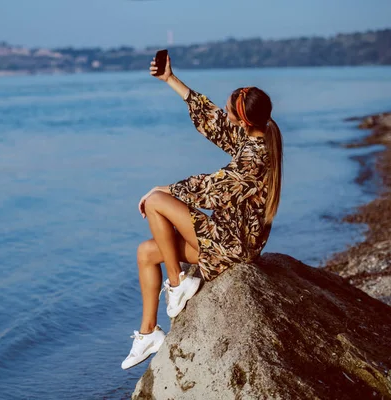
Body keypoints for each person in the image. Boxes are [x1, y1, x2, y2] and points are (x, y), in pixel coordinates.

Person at [121, 53, 283, 370]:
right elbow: (212, 121)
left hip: (232, 247)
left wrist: (165, 189)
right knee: (145, 252)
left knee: (154, 200)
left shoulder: (255, 154)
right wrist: (170, 79)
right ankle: (148, 333)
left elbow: (212, 189)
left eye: (229, 109)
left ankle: (178, 282)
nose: (224, 112)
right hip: (226, 238)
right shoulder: (253, 135)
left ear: (244, 120)